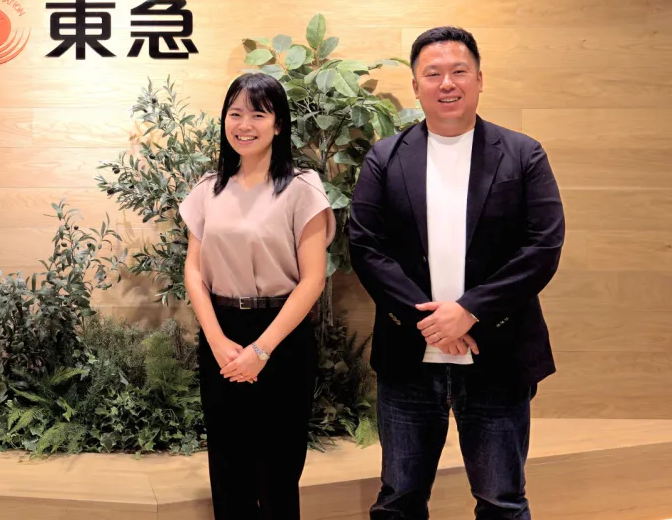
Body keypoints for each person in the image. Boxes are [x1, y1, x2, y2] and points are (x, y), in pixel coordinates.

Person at [348, 26, 565, 519]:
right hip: (409, 358)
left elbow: (542, 246)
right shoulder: (385, 157)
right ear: (415, 86)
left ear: (479, 79)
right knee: (399, 501)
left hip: (498, 354)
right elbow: (366, 246)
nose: (447, 83)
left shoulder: (523, 154)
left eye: (459, 71)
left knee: (501, 501)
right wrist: (430, 322)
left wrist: (469, 311)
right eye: (433, 74)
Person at [178, 71, 335, 519]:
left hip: (282, 337)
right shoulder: (209, 188)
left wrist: (262, 350)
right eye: (235, 114)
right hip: (222, 334)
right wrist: (216, 341)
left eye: (258, 115)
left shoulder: (302, 188)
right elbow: (194, 270)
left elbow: (312, 280)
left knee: (278, 472)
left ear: (279, 124)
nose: (244, 125)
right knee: (228, 468)